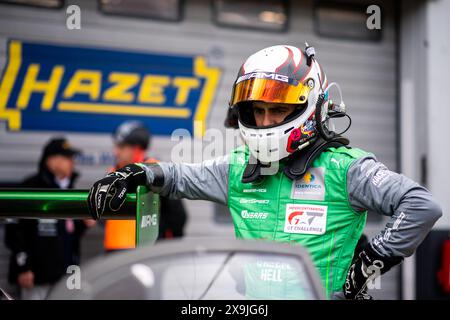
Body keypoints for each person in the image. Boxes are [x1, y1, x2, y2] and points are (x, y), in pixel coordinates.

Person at [87, 44, 442, 299]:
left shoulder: (344, 168)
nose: (266, 121)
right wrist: (136, 172)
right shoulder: (238, 168)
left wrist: (370, 261)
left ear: (309, 105)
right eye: (258, 110)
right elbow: (178, 177)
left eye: (278, 110)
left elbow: (421, 205)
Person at [4, 137, 95, 299]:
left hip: (65, 278)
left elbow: (70, 235)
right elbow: (13, 233)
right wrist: (23, 268)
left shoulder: (71, 191)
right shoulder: (30, 188)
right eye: (67, 158)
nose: (72, 162)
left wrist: (83, 224)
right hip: (35, 279)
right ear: (51, 161)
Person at [103, 120, 187, 252]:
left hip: (144, 254)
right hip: (114, 255)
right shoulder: (112, 173)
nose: (115, 152)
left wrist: (164, 245)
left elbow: (177, 216)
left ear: (136, 149)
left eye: (121, 147)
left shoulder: (157, 172)